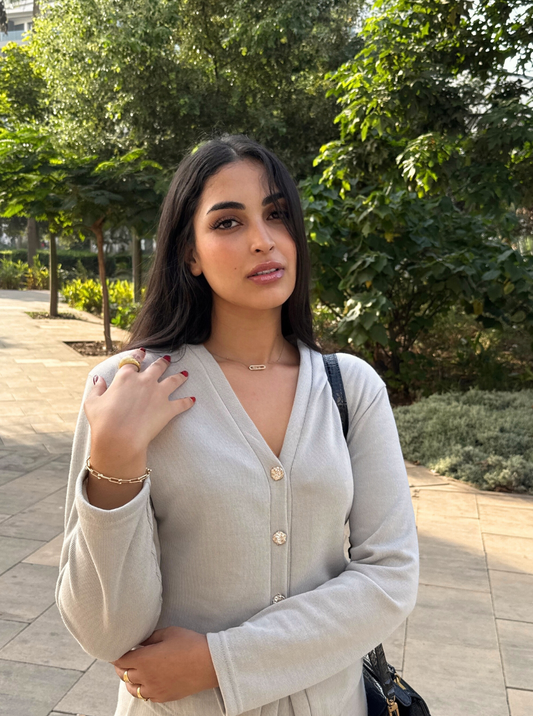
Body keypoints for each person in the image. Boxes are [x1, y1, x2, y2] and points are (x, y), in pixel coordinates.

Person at [56, 134, 419, 716]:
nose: (262, 240)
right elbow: (106, 633)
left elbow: (390, 575)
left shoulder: (350, 388)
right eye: (228, 222)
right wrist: (115, 460)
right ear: (190, 255)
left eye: (277, 215)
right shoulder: (127, 387)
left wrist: (220, 661)